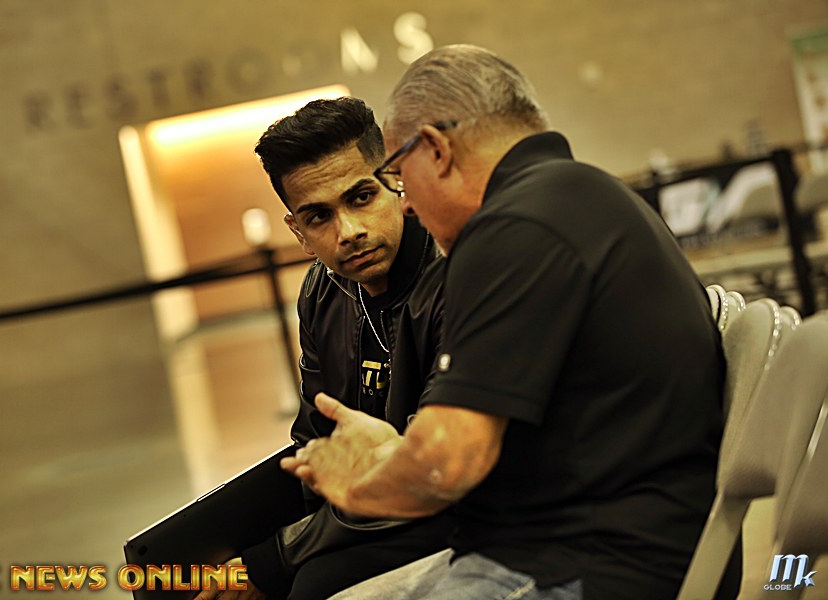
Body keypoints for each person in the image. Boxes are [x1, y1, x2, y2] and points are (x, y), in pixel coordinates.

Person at [282, 45, 733, 600]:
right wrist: (397, 453)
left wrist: (356, 483)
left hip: (595, 564)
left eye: (397, 175)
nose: (408, 204)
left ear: (437, 150)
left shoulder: (513, 230)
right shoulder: (577, 195)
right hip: (614, 543)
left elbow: (447, 466)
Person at [195, 97, 452, 600]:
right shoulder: (322, 292)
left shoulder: (455, 276)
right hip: (374, 512)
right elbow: (314, 442)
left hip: (462, 510)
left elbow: (434, 469)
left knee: (314, 584)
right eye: (318, 217)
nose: (348, 233)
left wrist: (273, 560)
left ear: (396, 181)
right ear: (298, 231)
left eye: (361, 197)